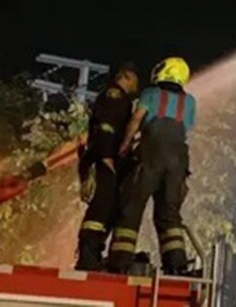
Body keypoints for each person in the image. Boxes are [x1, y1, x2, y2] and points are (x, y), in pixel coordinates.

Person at [107, 57, 196, 275]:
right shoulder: (190, 101)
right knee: (170, 215)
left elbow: (136, 119)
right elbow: (187, 129)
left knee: (131, 207)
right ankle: (176, 264)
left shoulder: (151, 94)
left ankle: (119, 262)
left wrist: (125, 144)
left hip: (150, 156)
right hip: (178, 162)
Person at [75, 63, 140, 271]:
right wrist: (105, 156)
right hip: (105, 160)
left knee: (109, 207)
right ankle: (87, 256)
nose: (135, 87)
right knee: (101, 208)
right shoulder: (115, 96)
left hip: (107, 158)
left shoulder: (119, 99)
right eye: (135, 82)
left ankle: (92, 255)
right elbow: (105, 127)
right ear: (127, 77)